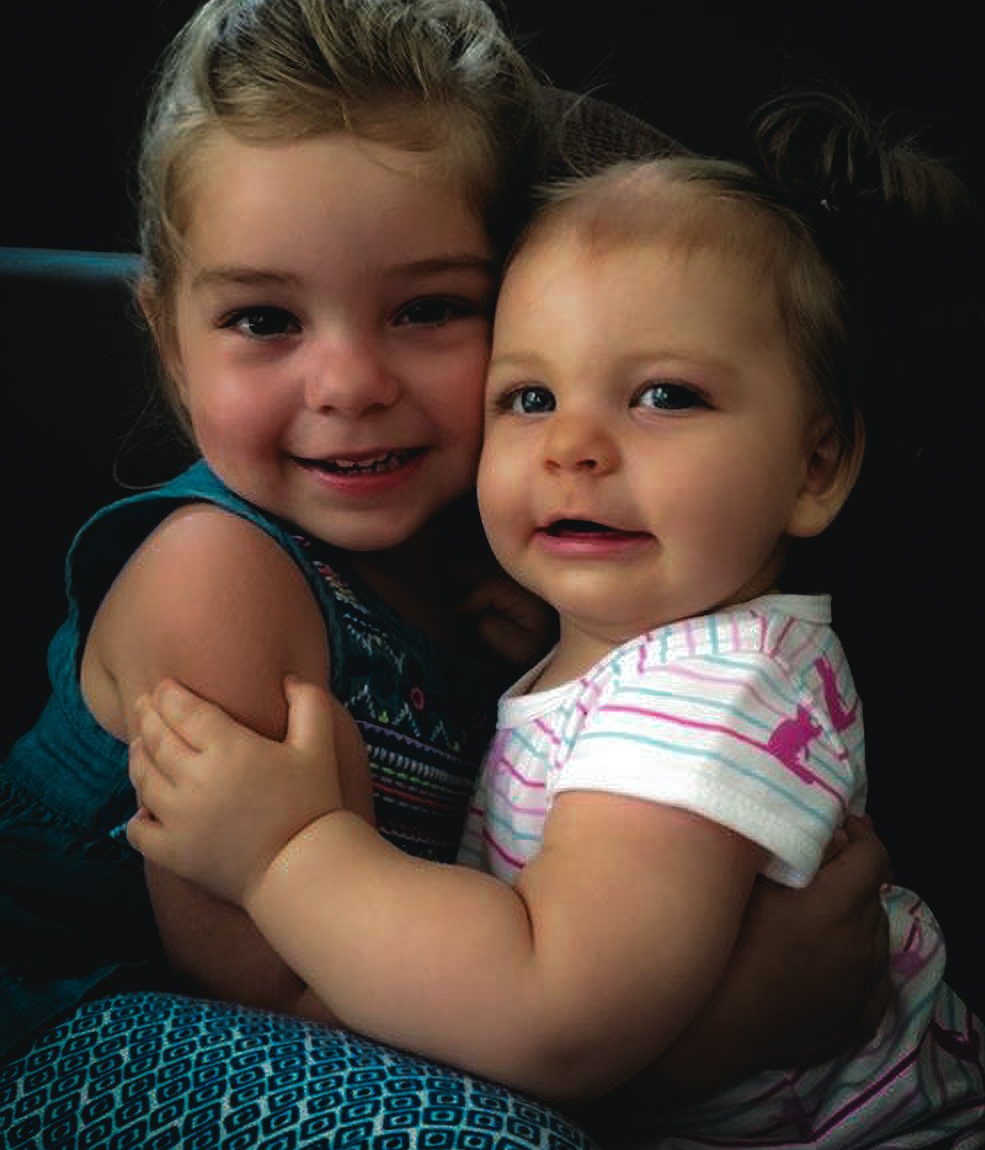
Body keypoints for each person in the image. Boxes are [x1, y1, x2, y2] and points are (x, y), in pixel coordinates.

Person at [0, 0, 893, 1149]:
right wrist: (723, 1028)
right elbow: (278, 1000)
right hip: (94, 1032)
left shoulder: (544, 562)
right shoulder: (214, 583)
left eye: (427, 308)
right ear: (165, 339)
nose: (350, 381)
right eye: (264, 319)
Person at [126, 93, 984, 1146]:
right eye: (529, 398)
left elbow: (548, 1009)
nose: (572, 445)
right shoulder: (645, 656)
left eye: (664, 395)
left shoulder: (708, 689)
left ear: (815, 465)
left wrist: (288, 850)